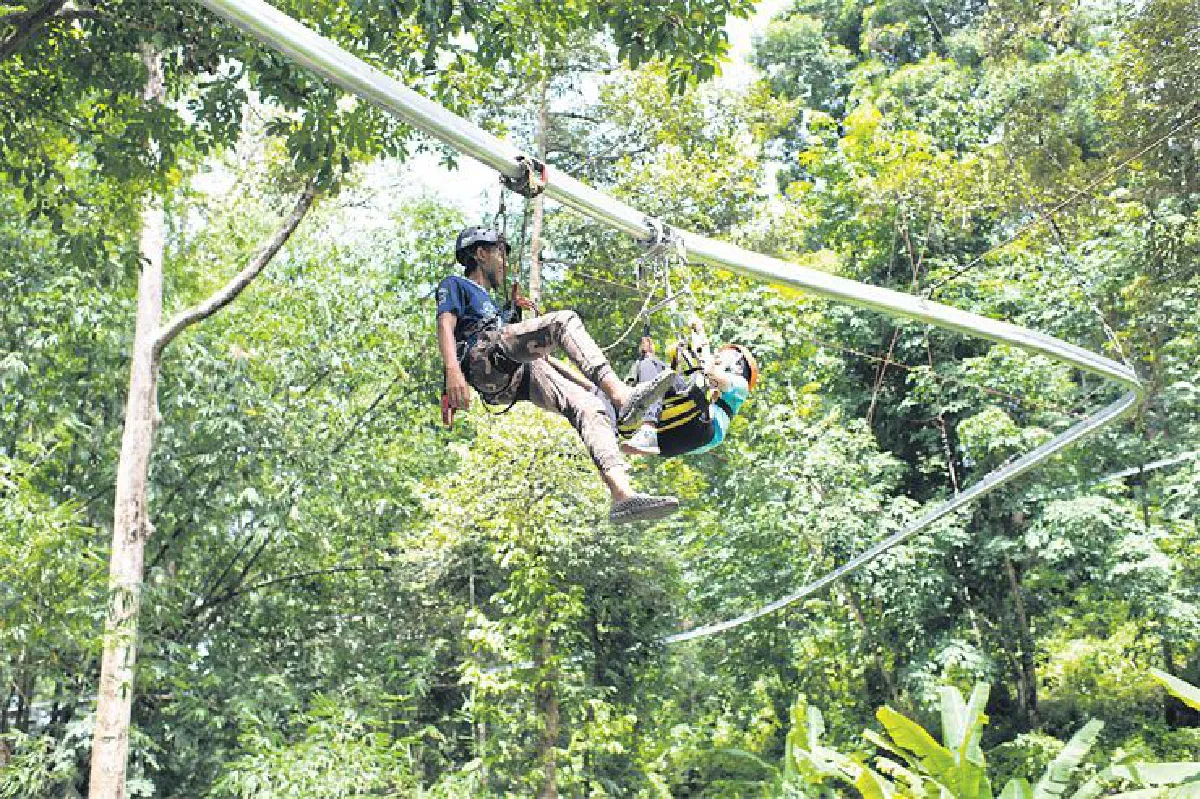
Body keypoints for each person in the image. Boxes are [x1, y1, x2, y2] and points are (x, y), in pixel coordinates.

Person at [436, 226, 679, 524]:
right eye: (500, 253)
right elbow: (445, 324)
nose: (504, 263)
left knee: (591, 407)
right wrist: (452, 373)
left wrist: (591, 386)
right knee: (563, 321)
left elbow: (540, 358)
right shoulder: (456, 284)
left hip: (512, 375)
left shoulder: (493, 305)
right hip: (482, 358)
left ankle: (622, 495)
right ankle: (622, 396)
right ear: (480, 253)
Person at [607, 342, 758, 458]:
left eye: (725, 354)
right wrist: (650, 357)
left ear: (739, 365)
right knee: (648, 363)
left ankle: (648, 429)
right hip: (670, 442)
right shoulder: (706, 379)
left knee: (697, 384)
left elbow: (716, 377)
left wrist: (705, 349)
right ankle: (639, 432)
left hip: (701, 427)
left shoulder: (740, 385)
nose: (719, 354)